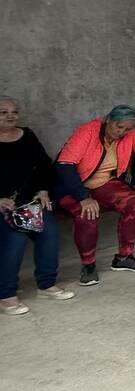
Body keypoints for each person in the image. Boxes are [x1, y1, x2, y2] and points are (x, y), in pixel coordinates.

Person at [54, 105, 135, 285]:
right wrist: (83, 197)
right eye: (118, 126)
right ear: (108, 120)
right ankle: (88, 266)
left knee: (134, 201)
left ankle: (124, 257)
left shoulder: (130, 133)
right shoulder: (87, 132)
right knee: (87, 214)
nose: (122, 132)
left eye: (127, 129)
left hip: (103, 182)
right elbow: (65, 165)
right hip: (72, 186)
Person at [0, 97, 74, 315]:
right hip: (2, 206)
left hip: (27, 202)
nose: (10, 116)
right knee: (15, 238)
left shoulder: (27, 136)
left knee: (48, 230)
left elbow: (43, 166)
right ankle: (6, 294)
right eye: (3, 112)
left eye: (14, 111)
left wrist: (43, 190)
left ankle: (47, 284)